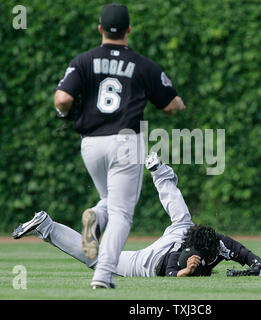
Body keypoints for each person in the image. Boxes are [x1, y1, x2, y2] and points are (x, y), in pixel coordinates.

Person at [53, 3, 186, 289]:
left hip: (91, 145)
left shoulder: (83, 60)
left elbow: (62, 98)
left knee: (110, 203)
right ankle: (103, 274)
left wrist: (65, 113)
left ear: (100, 29)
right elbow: (172, 104)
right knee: (122, 213)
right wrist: (176, 105)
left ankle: (96, 217)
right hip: (125, 142)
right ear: (129, 30)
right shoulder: (142, 64)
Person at [12, 153, 261, 289]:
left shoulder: (210, 239)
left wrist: (258, 266)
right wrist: (187, 271)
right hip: (148, 263)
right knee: (98, 259)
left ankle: (160, 172)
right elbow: (172, 277)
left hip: (178, 233)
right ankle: (46, 227)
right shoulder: (185, 254)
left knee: (182, 218)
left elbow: (244, 254)